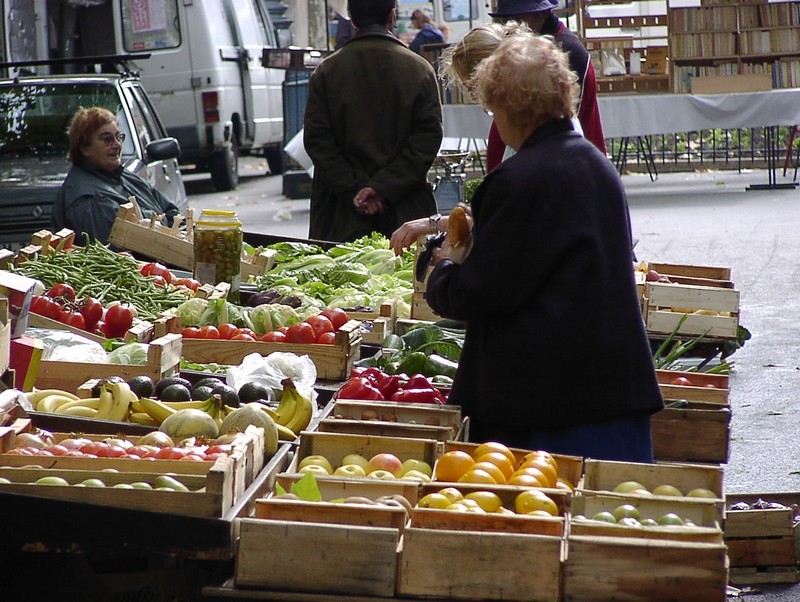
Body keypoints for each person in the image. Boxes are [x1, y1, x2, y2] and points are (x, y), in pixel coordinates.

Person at [422, 32, 663, 462]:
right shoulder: (597, 165)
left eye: (492, 109)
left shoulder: (517, 181)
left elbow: (481, 291)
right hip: (613, 390)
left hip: (548, 409)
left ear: (510, 109)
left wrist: (440, 271)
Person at [304, 0, 443, 243]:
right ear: (392, 17)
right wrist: (383, 188)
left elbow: (318, 141)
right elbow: (428, 138)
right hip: (405, 215)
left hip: (339, 217)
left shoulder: (327, 72)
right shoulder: (419, 69)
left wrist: (357, 190)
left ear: (353, 20)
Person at [390, 22, 525, 253]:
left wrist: (437, 230)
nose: (477, 99)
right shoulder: (515, 124)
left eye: (472, 88)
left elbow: (511, 223)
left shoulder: (521, 128)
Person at [487, 0, 606, 171]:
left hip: (561, 168)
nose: (511, 24)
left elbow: (557, 128)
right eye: (506, 18)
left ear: (542, 13)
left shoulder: (563, 50)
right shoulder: (532, 47)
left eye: (518, 17)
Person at [53, 107, 179, 245]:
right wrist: (156, 222)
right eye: (107, 139)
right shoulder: (88, 199)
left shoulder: (126, 177)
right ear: (84, 148)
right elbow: (114, 253)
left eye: (119, 137)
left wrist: (151, 223)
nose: (117, 144)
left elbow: (173, 214)